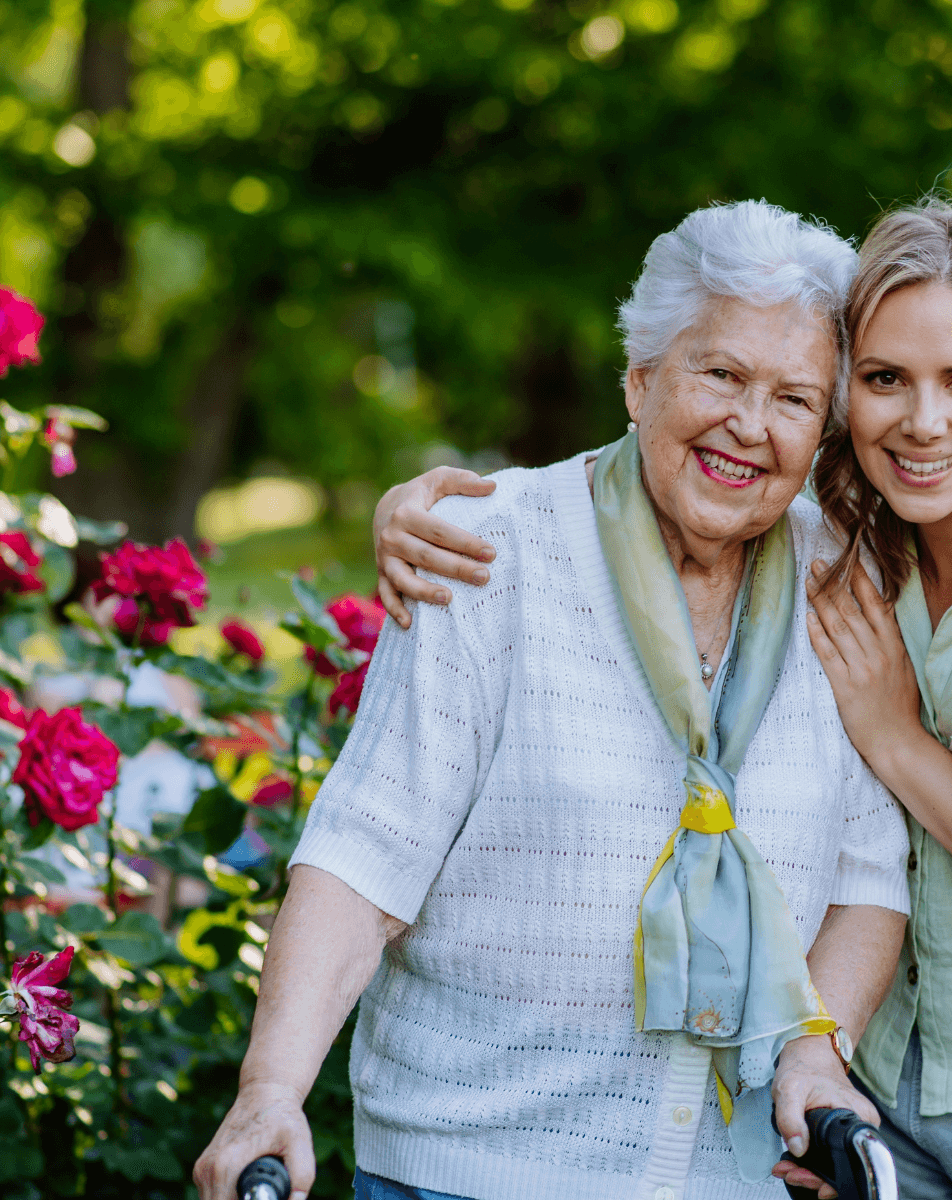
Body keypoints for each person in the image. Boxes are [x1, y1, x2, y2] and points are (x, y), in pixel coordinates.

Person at [376, 197, 952, 1199]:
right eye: (883, 380)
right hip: (895, 1089)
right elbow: (679, 459)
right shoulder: (850, 541)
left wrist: (897, 741)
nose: (922, 422)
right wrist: (427, 512)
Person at [193, 200, 912, 1200]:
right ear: (638, 379)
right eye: (720, 374)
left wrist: (815, 1048)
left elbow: (867, 873)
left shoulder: (841, 581)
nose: (749, 424)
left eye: (794, 398)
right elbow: (364, 856)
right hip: (468, 1166)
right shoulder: (489, 550)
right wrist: (268, 1095)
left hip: (730, 1177)